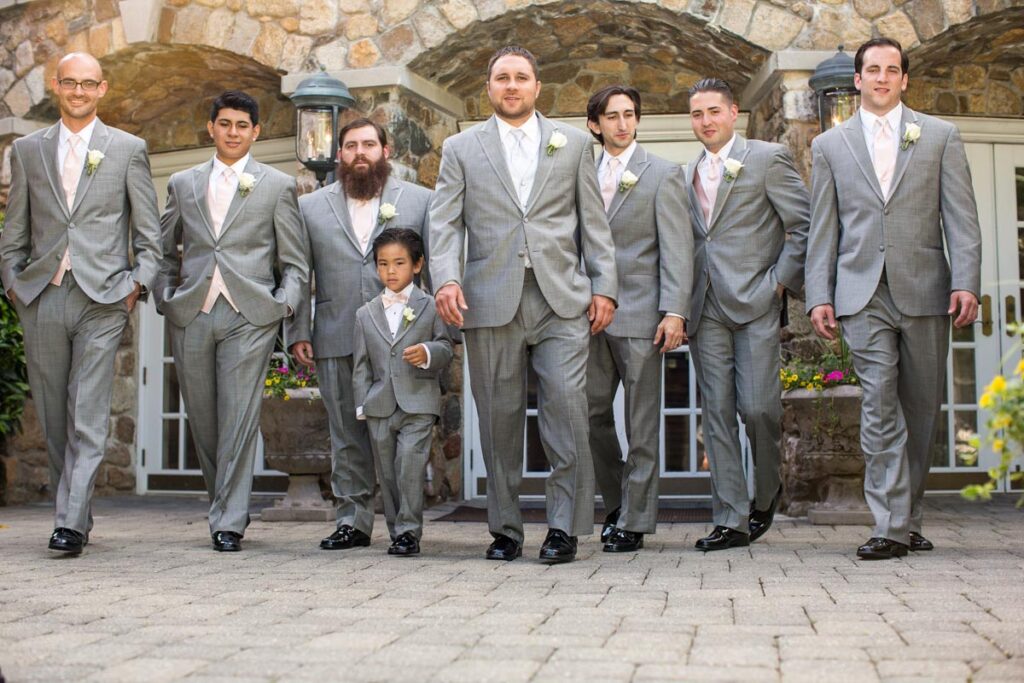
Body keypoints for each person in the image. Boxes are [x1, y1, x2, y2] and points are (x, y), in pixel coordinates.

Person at [430, 45, 618, 563]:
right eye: (501, 78)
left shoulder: (575, 143)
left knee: (567, 410)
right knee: (499, 417)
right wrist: (446, 278)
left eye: (521, 77)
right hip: (489, 298)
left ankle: (565, 528)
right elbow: (444, 222)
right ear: (488, 89)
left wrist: (604, 286)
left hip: (562, 298)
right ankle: (505, 528)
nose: (511, 86)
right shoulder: (461, 148)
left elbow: (592, 223)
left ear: (538, 87)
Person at [806, 38, 981, 560]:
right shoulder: (830, 146)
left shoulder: (940, 136)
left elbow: (961, 218)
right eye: (872, 70)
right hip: (861, 293)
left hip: (926, 288)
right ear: (857, 80)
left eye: (892, 70)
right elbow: (823, 229)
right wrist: (820, 292)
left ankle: (909, 517)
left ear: (904, 80)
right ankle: (888, 525)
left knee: (921, 410)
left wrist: (965, 280)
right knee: (879, 406)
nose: (882, 78)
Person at [0, 52, 162, 555]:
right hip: (42, 294)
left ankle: (67, 522)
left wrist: (137, 283)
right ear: (55, 85)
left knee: (87, 411)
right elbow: (16, 228)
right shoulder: (27, 150)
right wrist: (11, 281)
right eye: (69, 83)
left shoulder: (128, 149)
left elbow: (148, 233)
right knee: (53, 416)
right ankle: (76, 513)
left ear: (103, 89)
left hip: (104, 296)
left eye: (87, 84)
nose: (78, 92)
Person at [155, 90, 309, 552]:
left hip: (250, 315)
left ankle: (229, 521)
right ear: (212, 128)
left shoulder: (276, 185)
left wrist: (284, 304)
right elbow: (164, 248)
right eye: (225, 124)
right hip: (193, 312)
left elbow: (295, 261)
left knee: (238, 417)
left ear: (256, 131)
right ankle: (221, 503)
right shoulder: (183, 182)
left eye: (243, 125)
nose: (233, 132)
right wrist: (166, 297)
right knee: (204, 420)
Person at [287, 118, 433, 551]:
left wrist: (441, 332)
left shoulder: (420, 200)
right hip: (334, 333)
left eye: (369, 144)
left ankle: (404, 529)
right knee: (345, 433)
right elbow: (300, 270)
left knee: (399, 439)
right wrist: (298, 329)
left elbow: (437, 266)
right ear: (339, 156)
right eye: (351, 146)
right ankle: (353, 521)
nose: (360, 153)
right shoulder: (311, 207)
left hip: (401, 341)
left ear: (385, 152)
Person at [685, 77, 810, 551]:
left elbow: (803, 224)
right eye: (697, 114)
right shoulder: (688, 171)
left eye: (714, 111)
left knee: (758, 409)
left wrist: (777, 282)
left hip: (756, 301)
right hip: (705, 306)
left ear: (733, 112)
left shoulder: (766, 158)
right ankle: (730, 519)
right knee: (715, 414)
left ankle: (765, 492)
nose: (706, 121)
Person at [584, 85, 693, 553]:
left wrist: (675, 311)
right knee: (588, 416)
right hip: (587, 317)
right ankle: (616, 505)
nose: (623, 124)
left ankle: (636, 519)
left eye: (630, 114)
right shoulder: (578, 171)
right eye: (613, 116)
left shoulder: (663, 174)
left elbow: (678, 248)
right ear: (596, 124)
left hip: (643, 315)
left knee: (642, 423)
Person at [352, 228, 453, 556]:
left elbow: (445, 347)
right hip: (380, 405)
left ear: (418, 264)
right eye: (383, 264)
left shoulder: (431, 306)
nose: (390, 271)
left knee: (409, 464)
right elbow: (361, 366)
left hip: (418, 403)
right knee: (389, 473)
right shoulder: (365, 314)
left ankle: (410, 531)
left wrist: (427, 352)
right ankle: (398, 531)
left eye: (398, 263)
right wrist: (361, 403)